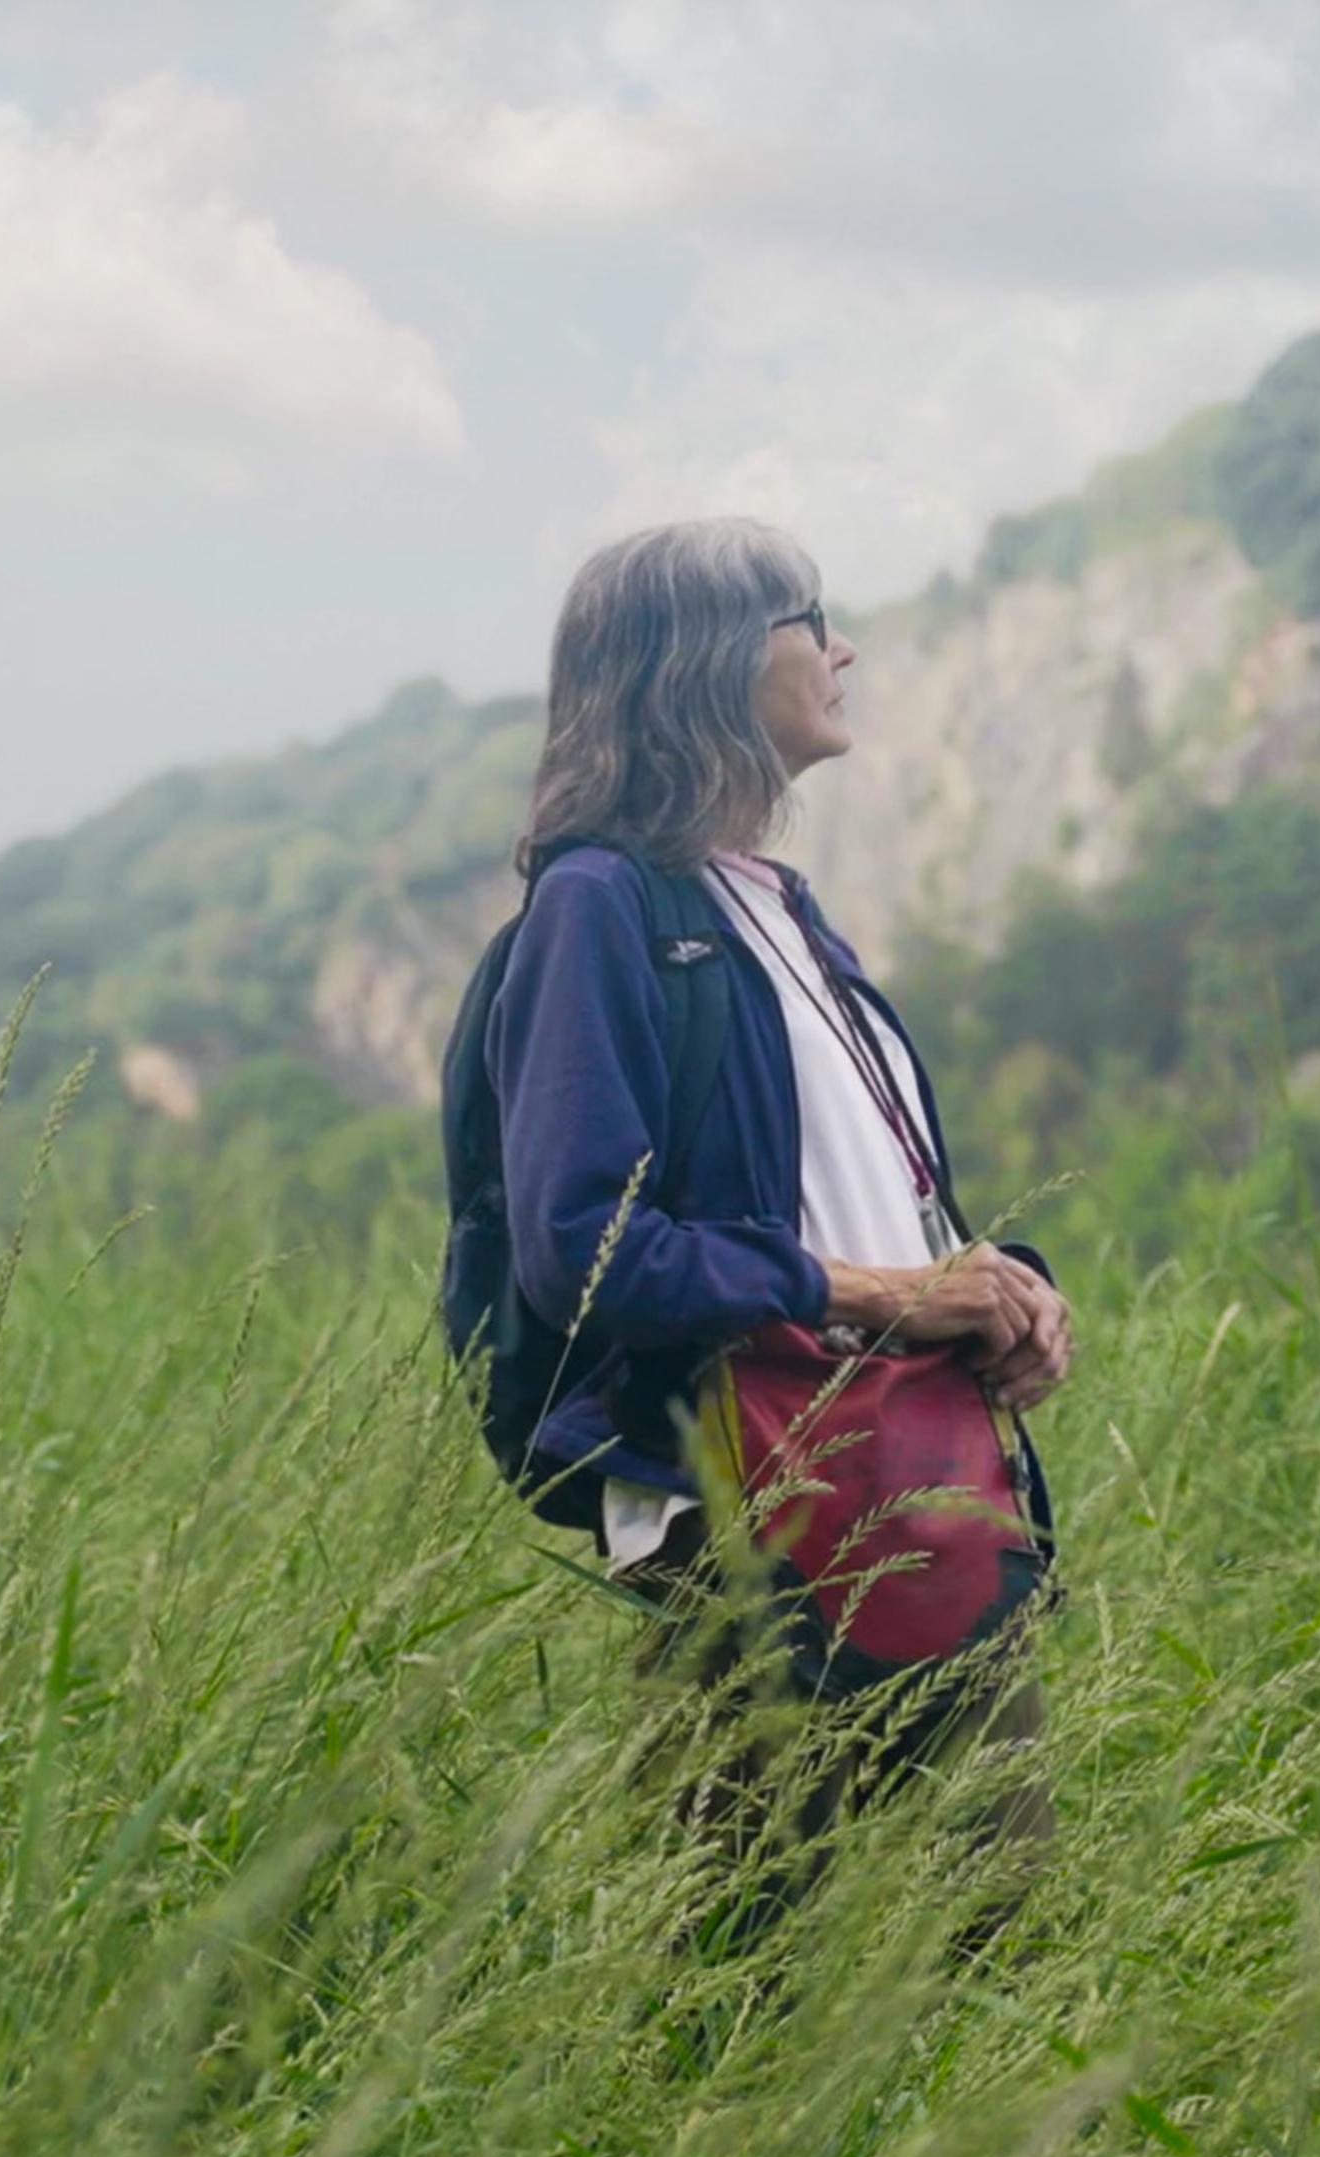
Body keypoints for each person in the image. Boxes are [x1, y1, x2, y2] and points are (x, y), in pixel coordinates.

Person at [480, 519, 1074, 1937]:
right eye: (809, 617)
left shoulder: (783, 916)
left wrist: (1004, 1290)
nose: (842, 648)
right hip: (740, 1520)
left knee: (1005, 1953)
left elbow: (871, 1200)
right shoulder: (599, 908)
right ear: (705, 659)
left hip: (923, 1499)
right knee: (747, 1987)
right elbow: (586, 1241)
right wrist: (878, 1294)